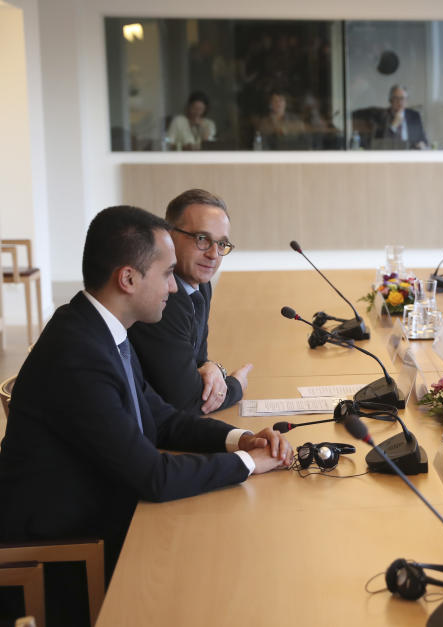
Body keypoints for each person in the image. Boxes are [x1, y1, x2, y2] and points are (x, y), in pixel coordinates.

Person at [0, 206, 292, 580]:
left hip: (100, 513)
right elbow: (152, 476)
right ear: (128, 279)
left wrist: (242, 441)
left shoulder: (101, 329)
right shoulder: (79, 353)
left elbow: (161, 418)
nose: (174, 286)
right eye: (167, 273)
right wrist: (251, 466)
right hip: (63, 552)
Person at [129, 189, 251, 414]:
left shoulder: (200, 285)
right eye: (202, 239)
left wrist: (211, 367)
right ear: (169, 235)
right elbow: (188, 401)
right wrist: (235, 385)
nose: (214, 254)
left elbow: (198, 359)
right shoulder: (163, 298)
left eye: (222, 244)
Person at [375, 85, 428, 149]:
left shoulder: (415, 116)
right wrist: (394, 125)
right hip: (390, 156)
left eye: (402, 98)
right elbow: (379, 145)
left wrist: (423, 145)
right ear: (391, 100)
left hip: (410, 155)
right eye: (396, 98)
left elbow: (424, 141)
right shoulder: (382, 116)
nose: (400, 102)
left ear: (407, 101)